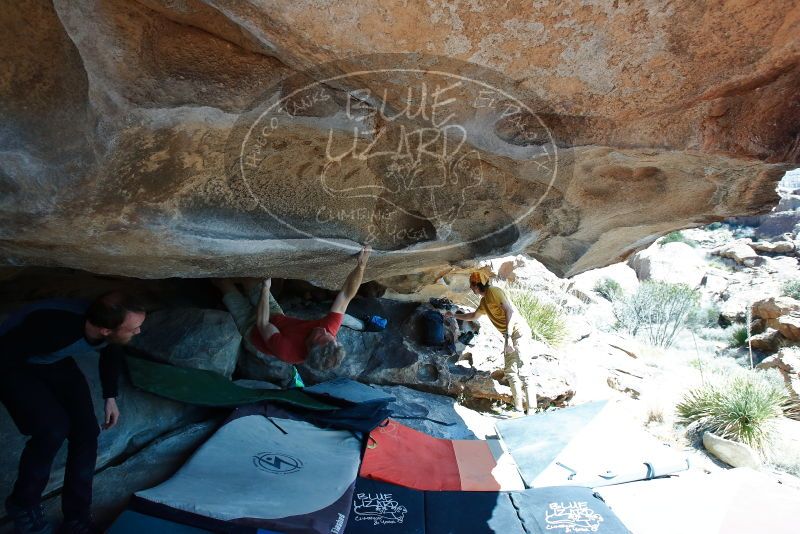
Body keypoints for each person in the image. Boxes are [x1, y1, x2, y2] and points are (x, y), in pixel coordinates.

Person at [0, 293, 146, 534]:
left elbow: (114, 349)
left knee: (87, 431)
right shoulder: (55, 329)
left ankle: (77, 519)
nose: (139, 332)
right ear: (105, 330)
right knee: (52, 430)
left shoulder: (107, 329)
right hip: (13, 362)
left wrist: (110, 397)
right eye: (134, 328)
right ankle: (23, 505)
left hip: (52, 359)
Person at [216, 245, 371, 385]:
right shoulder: (328, 332)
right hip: (277, 318)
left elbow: (262, 324)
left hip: (253, 329)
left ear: (310, 346)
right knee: (250, 281)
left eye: (321, 335)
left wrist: (265, 289)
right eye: (332, 337)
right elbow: (345, 296)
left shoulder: (288, 352)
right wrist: (361, 266)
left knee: (224, 284)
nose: (325, 330)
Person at [448, 271, 536, 415]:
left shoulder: (494, 291)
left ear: (478, 285)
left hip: (518, 333)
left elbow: (509, 311)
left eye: (472, 285)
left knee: (523, 371)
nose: (471, 288)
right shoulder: (484, 301)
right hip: (509, 335)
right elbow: (473, 316)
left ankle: (531, 410)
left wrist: (508, 337)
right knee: (510, 372)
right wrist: (454, 315)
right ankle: (519, 408)